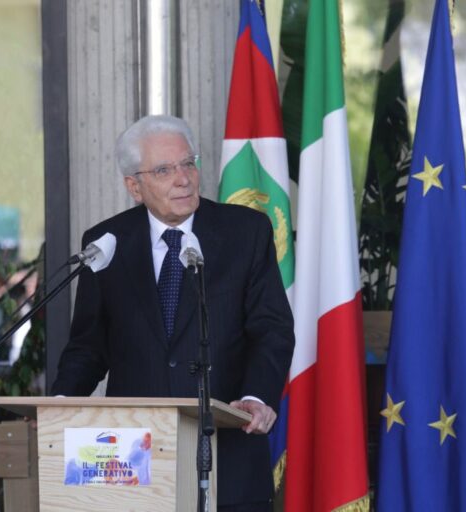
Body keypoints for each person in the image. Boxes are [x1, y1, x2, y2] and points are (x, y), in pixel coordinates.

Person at [51, 115, 295, 511]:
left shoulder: (245, 231)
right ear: (134, 186)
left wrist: (256, 395)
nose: (183, 178)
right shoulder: (107, 243)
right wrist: (59, 406)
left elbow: (272, 328)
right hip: (133, 462)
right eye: (164, 170)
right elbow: (89, 346)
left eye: (188, 163)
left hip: (227, 455)